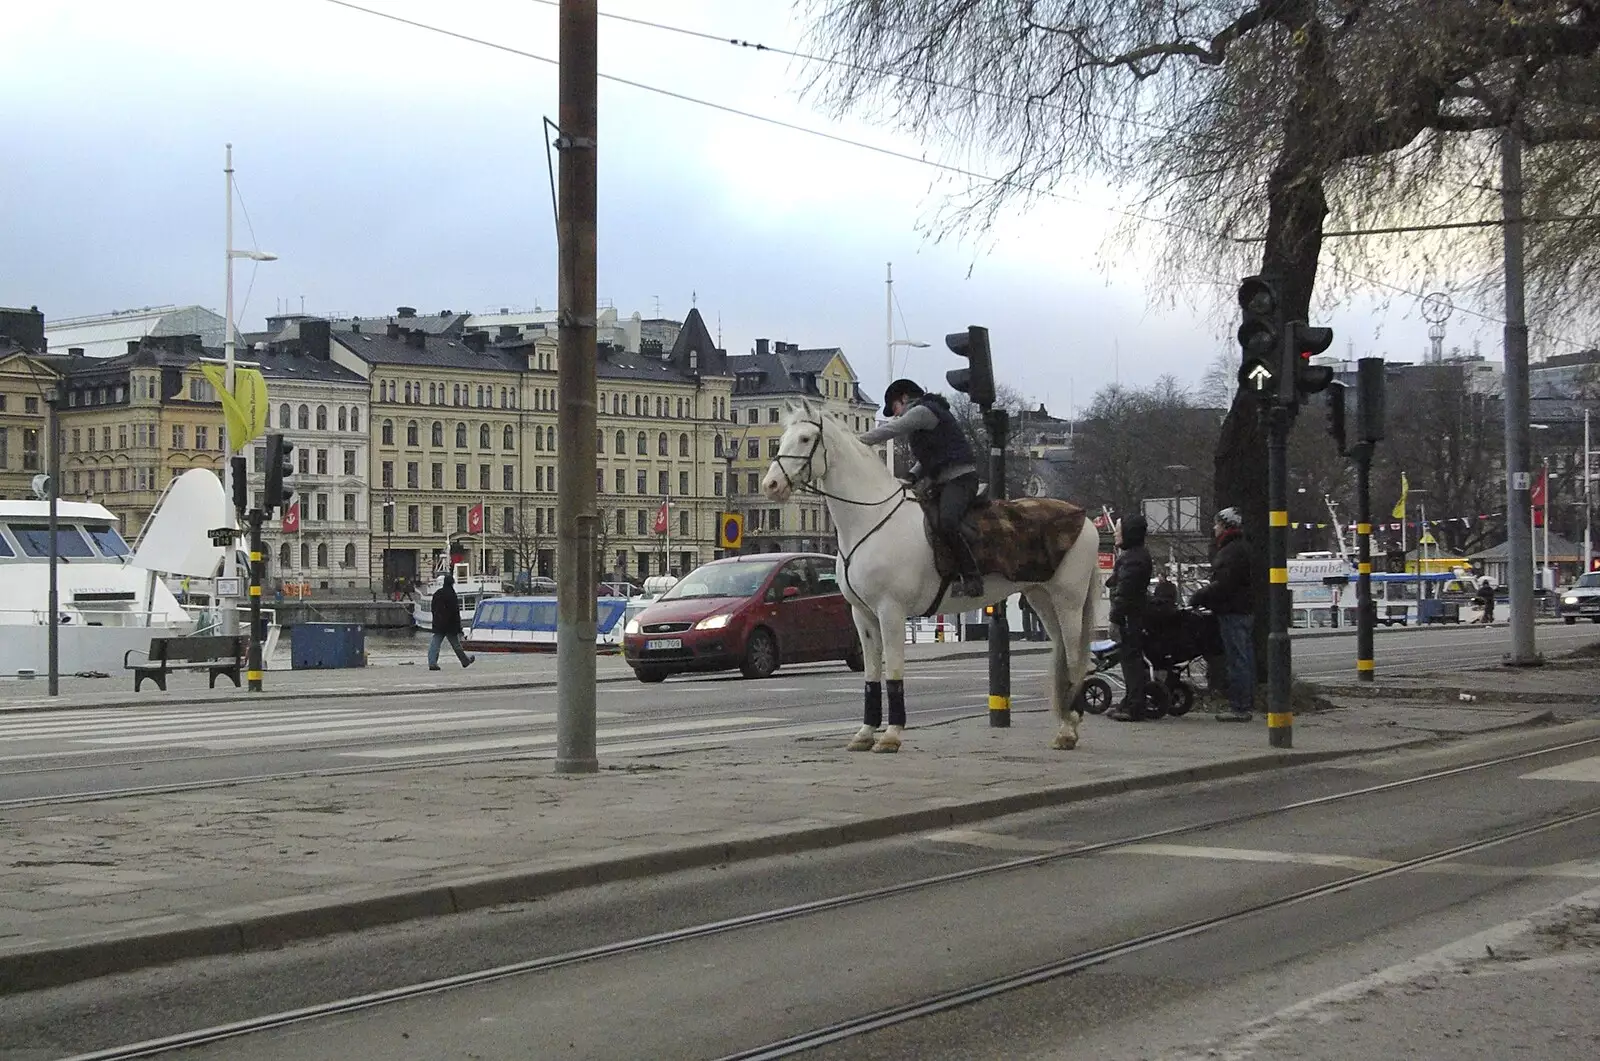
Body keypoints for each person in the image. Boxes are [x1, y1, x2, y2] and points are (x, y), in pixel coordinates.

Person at [859, 379, 985, 597]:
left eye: (896, 408)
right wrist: (911, 476)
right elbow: (931, 456)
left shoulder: (923, 411)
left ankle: (971, 575)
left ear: (905, 398)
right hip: (942, 481)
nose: (897, 415)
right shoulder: (927, 416)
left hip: (960, 479)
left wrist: (856, 441)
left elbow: (893, 429)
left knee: (947, 522)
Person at [1191, 507, 1254, 722]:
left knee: (1237, 659)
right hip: (1241, 609)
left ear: (1226, 525)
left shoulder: (1230, 552)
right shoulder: (1242, 549)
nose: (1214, 527)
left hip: (1232, 611)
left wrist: (1200, 596)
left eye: (1217, 524)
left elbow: (1224, 584)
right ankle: (1244, 702)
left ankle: (1240, 707)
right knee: (1243, 657)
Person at [1105, 514, 1153, 722]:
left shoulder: (1132, 559)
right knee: (1133, 659)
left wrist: (1115, 618)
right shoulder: (1135, 556)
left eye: (1118, 530)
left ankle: (1135, 705)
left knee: (1130, 660)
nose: (1115, 534)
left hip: (1129, 618)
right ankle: (1133, 699)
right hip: (1134, 615)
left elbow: (1125, 593)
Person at [428, 573, 476, 671]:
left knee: (435, 644)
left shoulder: (437, 593)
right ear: (452, 583)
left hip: (439, 623)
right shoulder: (452, 595)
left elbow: (433, 608)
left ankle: (432, 662)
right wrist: (459, 628)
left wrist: (436, 619)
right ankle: (465, 661)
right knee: (456, 645)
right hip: (450, 625)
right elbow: (455, 612)